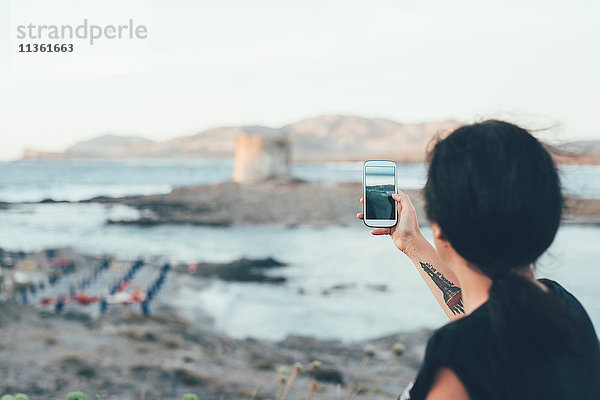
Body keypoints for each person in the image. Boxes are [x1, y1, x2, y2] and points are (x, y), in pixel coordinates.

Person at [358, 120, 600, 399]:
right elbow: (484, 319)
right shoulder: (567, 311)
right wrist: (411, 243)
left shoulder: (457, 361)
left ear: (440, 228)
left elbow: (479, 336)